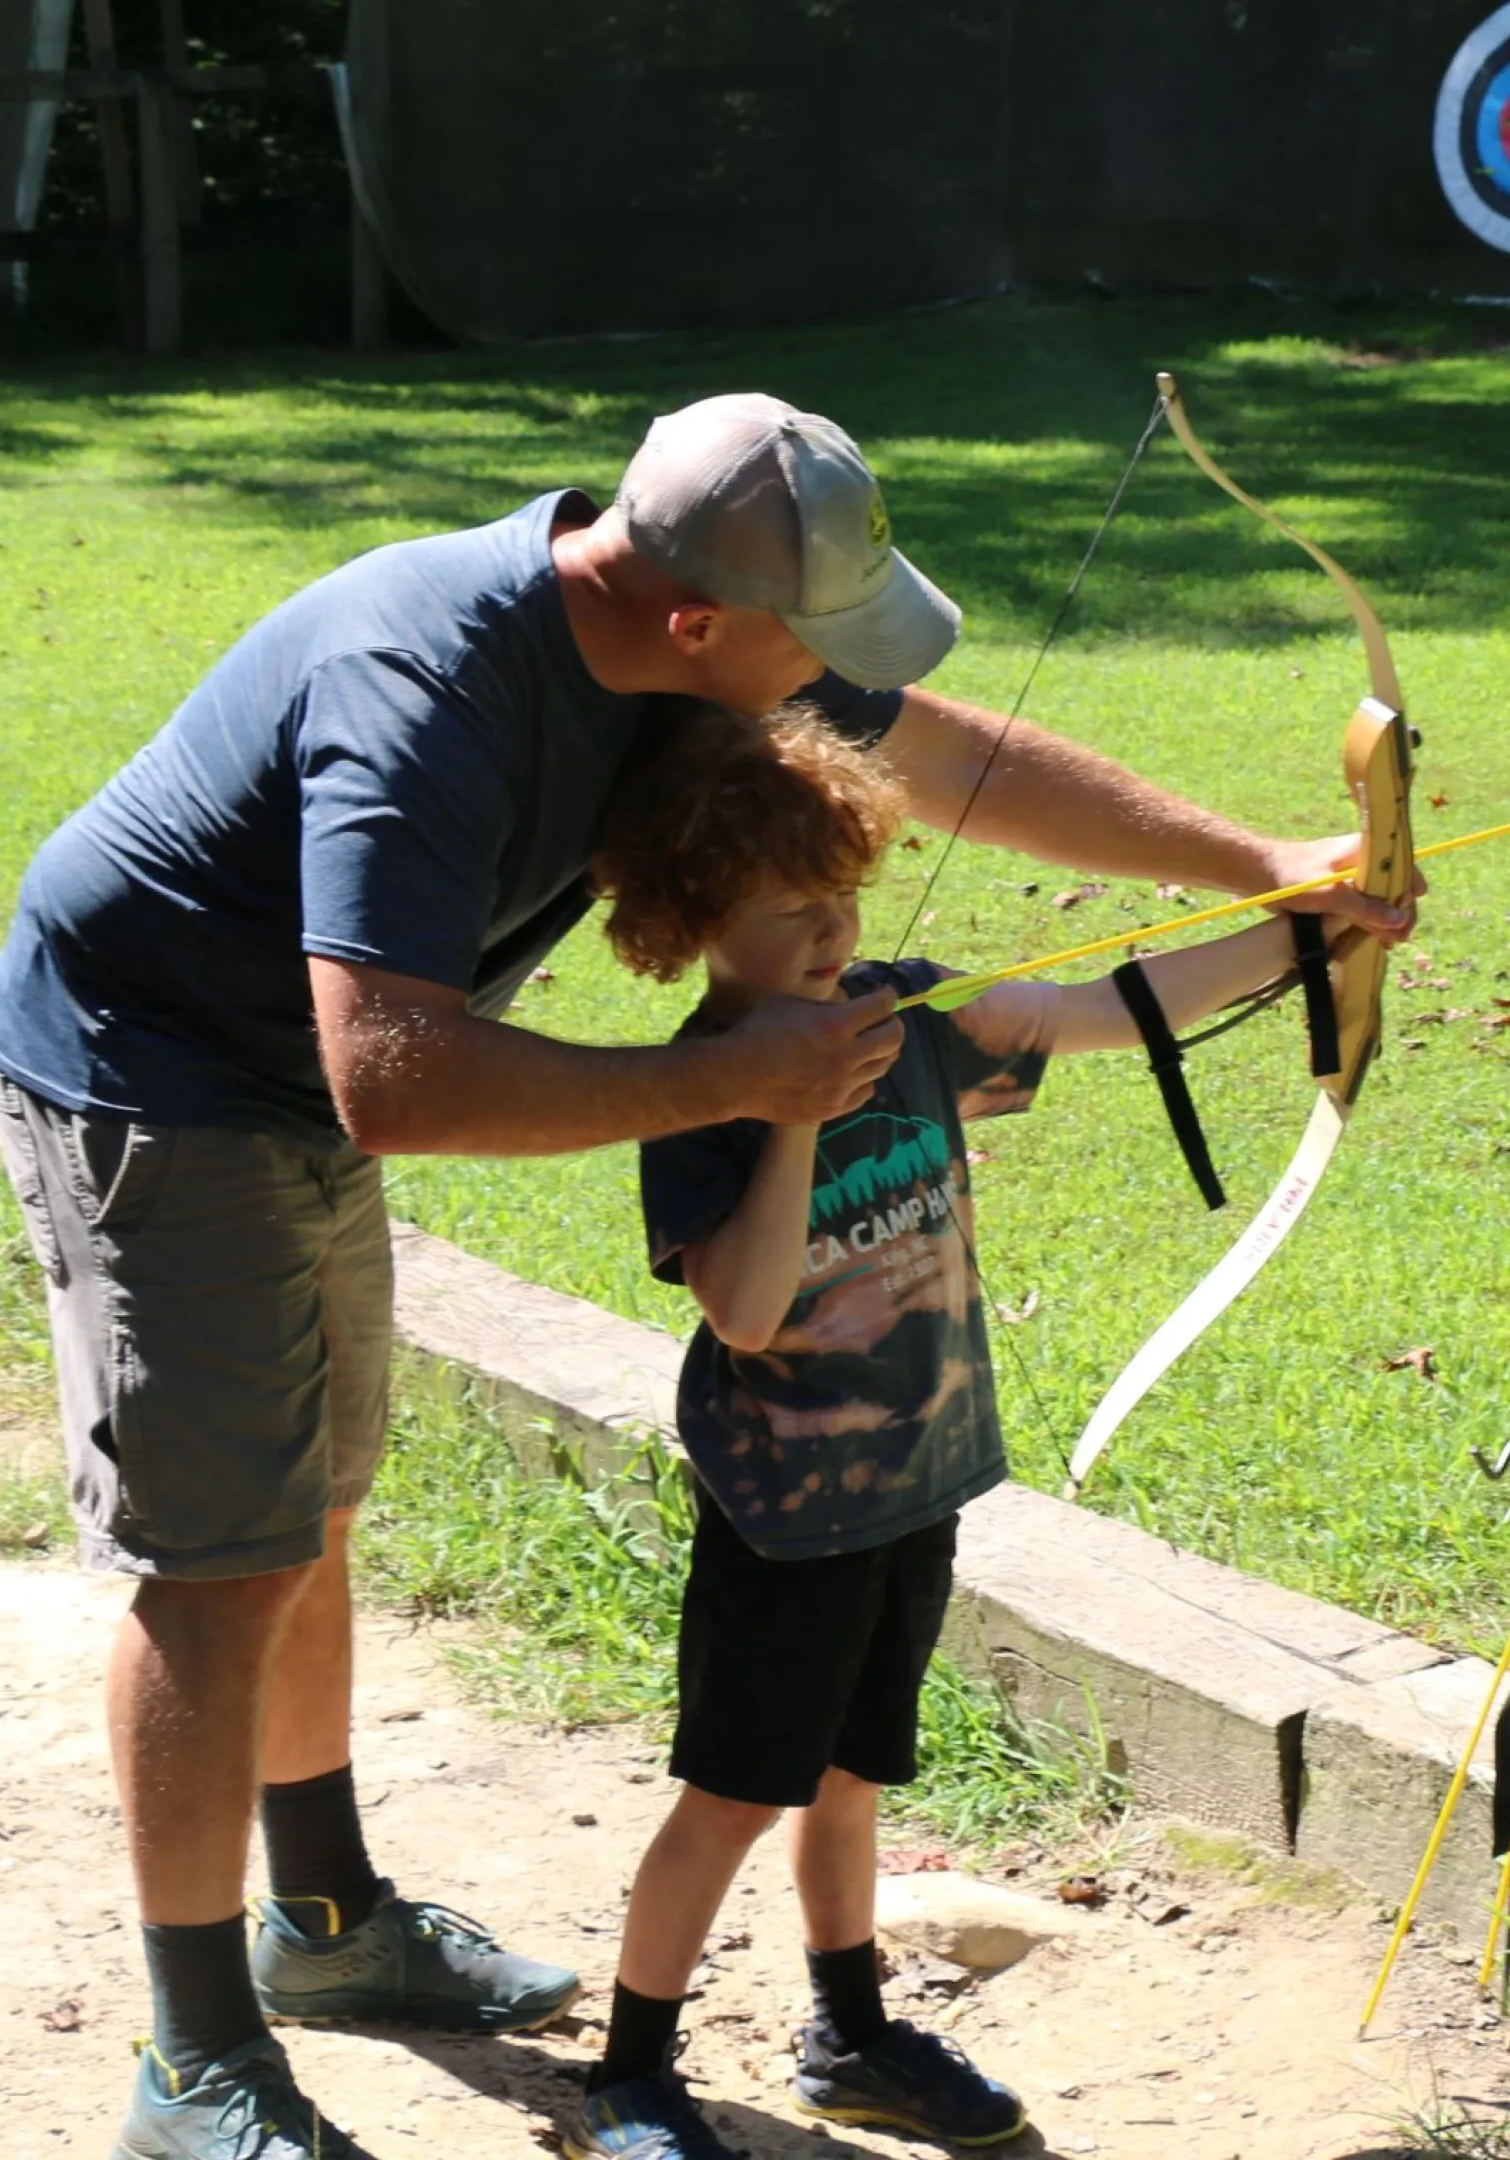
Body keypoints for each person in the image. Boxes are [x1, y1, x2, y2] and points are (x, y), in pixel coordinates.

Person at [0, 393, 1403, 2160]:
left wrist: (1268, 872)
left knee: (311, 1508)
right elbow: (397, 1083)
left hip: (306, 1070)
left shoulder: (680, 640)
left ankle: (325, 1923)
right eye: (819, 647)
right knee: (221, 1558)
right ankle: (197, 2057)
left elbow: (949, 757)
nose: (843, 687)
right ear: (699, 621)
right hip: (162, 1072)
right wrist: (745, 1080)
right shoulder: (429, 693)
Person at [570, 702, 1353, 2158]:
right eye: (792, 911)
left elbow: (1113, 1006)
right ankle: (628, 2072)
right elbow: (743, 1310)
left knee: (856, 1777)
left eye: (845, 896)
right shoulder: (700, 1096)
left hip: (914, 1483)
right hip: (789, 1514)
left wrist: (1312, 930)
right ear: (696, 919)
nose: (833, 935)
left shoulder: (908, 1010)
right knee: (735, 1797)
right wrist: (797, 1110)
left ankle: (849, 2030)